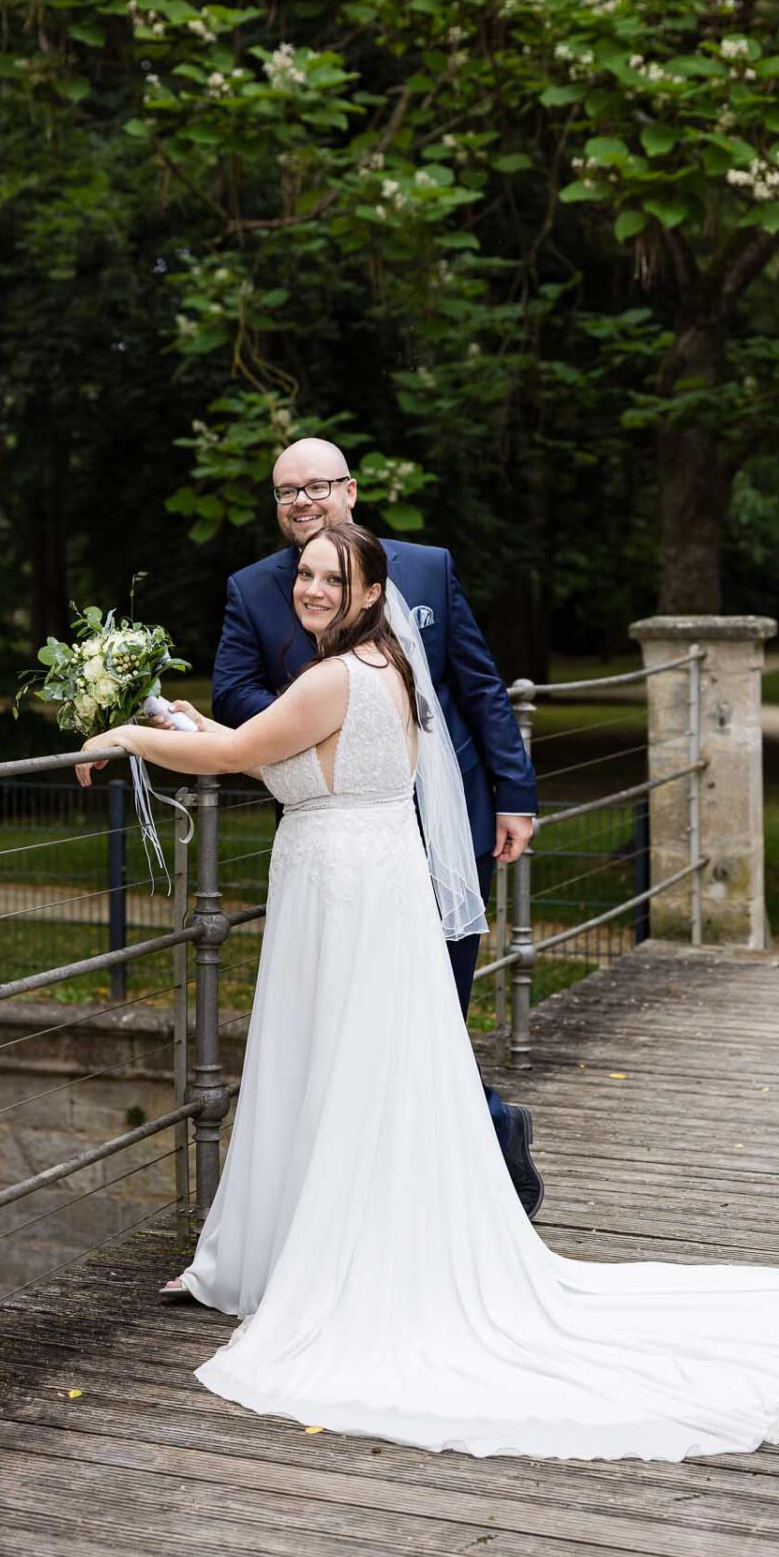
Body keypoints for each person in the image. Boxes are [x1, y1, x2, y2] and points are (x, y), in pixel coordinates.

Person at [79, 525, 779, 1462]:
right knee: (362, 1067)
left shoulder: (334, 676)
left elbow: (242, 751)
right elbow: (269, 753)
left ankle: (341, 1264)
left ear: (372, 592)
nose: (312, 589)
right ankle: (337, 1243)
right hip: (365, 883)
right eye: (305, 573)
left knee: (337, 1063)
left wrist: (127, 730)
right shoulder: (382, 669)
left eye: (334, 577)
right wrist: (177, 718)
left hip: (342, 890)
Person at [210, 438, 542, 1215]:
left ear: (350, 490)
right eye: (285, 492)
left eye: (316, 486)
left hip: (445, 821)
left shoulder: (426, 568)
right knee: (359, 1018)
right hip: (345, 830)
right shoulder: (255, 589)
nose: (301, 502)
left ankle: (444, 1172)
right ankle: (457, 1148)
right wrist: (315, 726)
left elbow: (480, 685)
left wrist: (514, 794)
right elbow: (232, 693)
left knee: (431, 1005)